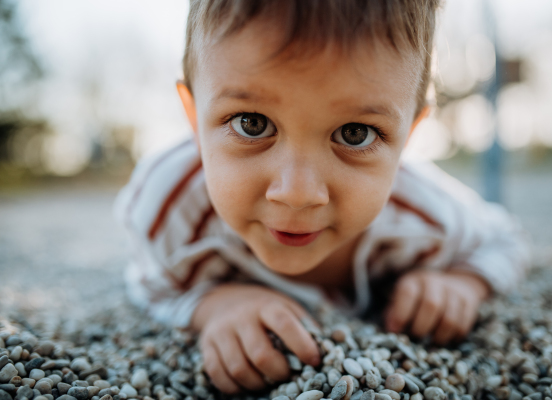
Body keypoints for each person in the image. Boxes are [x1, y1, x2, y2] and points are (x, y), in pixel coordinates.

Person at [114, 0, 530, 394]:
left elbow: (504, 240)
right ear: (193, 117)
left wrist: (463, 283)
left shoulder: (424, 216)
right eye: (252, 123)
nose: (297, 193)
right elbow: (151, 281)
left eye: (355, 133)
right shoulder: (169, 206)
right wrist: (212, 305)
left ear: (409, 136)